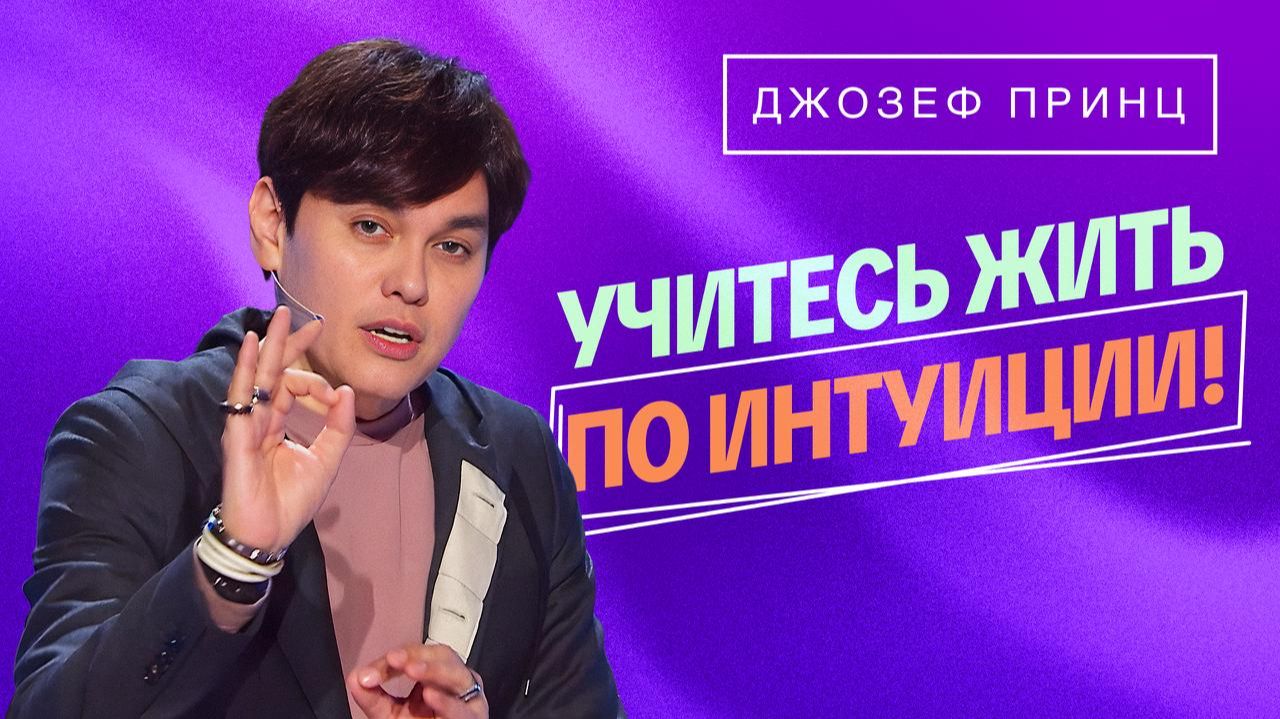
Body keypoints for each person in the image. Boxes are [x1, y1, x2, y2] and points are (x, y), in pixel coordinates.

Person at [11, 38, 621, 718]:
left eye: (452, 246)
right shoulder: (140, 436)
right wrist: (233, 559)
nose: (412, 283)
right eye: (371, 226)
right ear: (273, 225)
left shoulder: (518, 454)